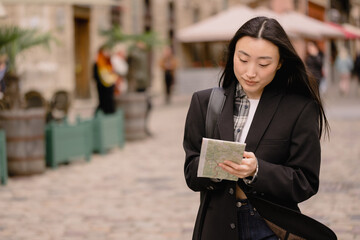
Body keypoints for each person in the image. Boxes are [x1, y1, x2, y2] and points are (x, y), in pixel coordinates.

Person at [183, 16, 331, 240]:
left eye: (263, 64)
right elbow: (190, 175)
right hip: (217, 227)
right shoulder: (204, 103)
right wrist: (216, 167)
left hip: (270, 227)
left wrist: (257, 170)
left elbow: (306, 182)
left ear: (280, 63)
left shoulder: (299, 108)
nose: (251, 72)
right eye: (242, 59)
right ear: (232, 54)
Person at [127, 41, 152, 136]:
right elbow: (130, 59)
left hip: (143, 83)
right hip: (139, 84)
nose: (144, 44)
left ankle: (144, 127)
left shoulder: (142, 54)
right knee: (143, 106)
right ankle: (142, 128)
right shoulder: (136, 53)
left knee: (147, 106)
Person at [93, 46, 117, 115]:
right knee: (103, 102)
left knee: (109, 102)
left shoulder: (108, 62)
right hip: (102, 87)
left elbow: (112, 72)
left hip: (109, 85)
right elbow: (96, 76)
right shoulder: (98, 64)